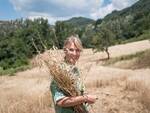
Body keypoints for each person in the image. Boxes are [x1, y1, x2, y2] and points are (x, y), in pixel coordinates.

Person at [50, 35, 97, 113]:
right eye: (71, 50)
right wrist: (85, 98)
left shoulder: (75, 70)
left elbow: (80, 94)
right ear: (65, 51)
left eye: (78, 50)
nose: (75, 54)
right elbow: (61, 101)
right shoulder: (58, 72)